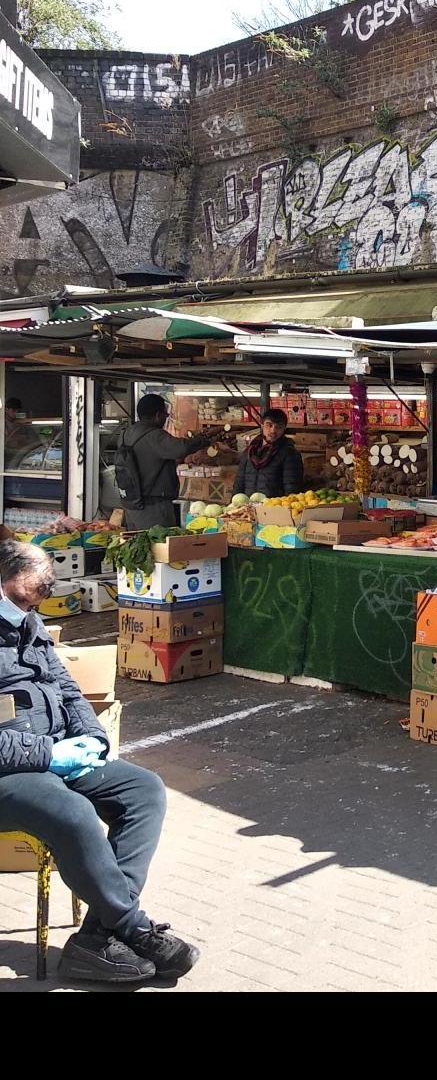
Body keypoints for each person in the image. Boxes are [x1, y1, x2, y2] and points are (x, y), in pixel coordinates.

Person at [0, 541, 199, 984]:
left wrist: (91, 736)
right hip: (10, 771)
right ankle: (133, 928)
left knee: (143, 790)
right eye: (17, 601)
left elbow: (67, 688)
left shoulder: (28, 623)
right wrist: (48, 755)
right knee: (73, 812)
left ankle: (95, 939)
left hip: (52, 754)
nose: (25, 611)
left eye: (33, 603)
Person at [119, 394, 216, 530]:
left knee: (139, 545)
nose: (165, 419)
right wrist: (204, 440)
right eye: (165, 415)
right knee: (160, 545)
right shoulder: (154, 436)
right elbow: (181, 448)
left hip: (132, 503)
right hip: (153, 506)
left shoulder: (127, 433)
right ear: (158, 415)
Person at [232, 407, 304, 499]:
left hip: (274, 509)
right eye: (269, 425)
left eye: (279, 427)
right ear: (262, 425)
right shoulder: (250, 451)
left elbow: (292, 489)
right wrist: (233, 505)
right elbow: (239, 482)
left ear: (284, 429)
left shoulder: (290, 454)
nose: (273, 430)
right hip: (248, 508)